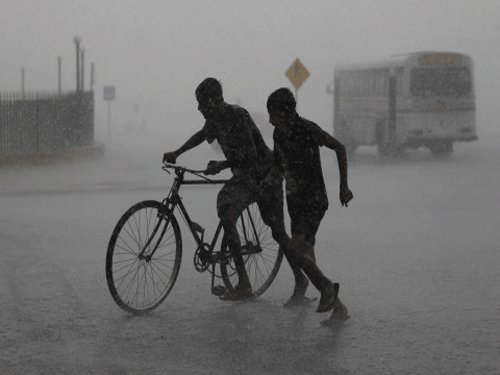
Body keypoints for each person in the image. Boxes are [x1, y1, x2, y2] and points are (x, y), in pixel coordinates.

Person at [163, 78, 289, 301]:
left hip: (264, 175)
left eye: (202, 103)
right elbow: (201, 136)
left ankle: (301, 278)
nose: (199, 108)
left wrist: (221, 165)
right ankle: (244, 282)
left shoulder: (238, 115)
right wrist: (177, 152)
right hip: (244, 176)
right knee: (228, 213)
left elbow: (250, 155)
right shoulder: (214, 119)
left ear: (215, 101)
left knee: (277, 231)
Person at [260, 87, 353, 318]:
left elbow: (339, 147)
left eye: (272, 114)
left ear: (285, 112)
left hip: (314, 200)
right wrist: (267, 182)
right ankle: (339, 309)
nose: (270, 120)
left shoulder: (308, 129)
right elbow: (279, 165)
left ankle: (327, 288)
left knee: (293, 249)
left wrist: (343, 186)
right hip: (295, 202)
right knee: (307, 257)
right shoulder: (279, 134)